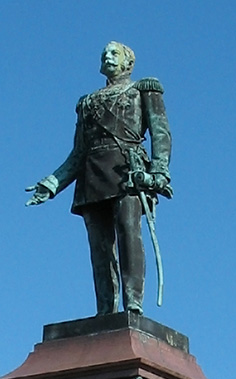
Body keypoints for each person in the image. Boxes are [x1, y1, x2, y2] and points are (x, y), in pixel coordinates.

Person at [26, 41, 172, 316]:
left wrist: (159, 172)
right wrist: (53, 183)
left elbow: (161, 133)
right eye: (104, 53)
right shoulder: (87, 102)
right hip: (92, 175)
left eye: (114, 53)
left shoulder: (143, 89)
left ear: (129, 63)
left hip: (127, 172)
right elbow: (79, 152)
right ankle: (105, 310)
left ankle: (133, 303)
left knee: (129, 234)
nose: (107, 56)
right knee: (99, 249)